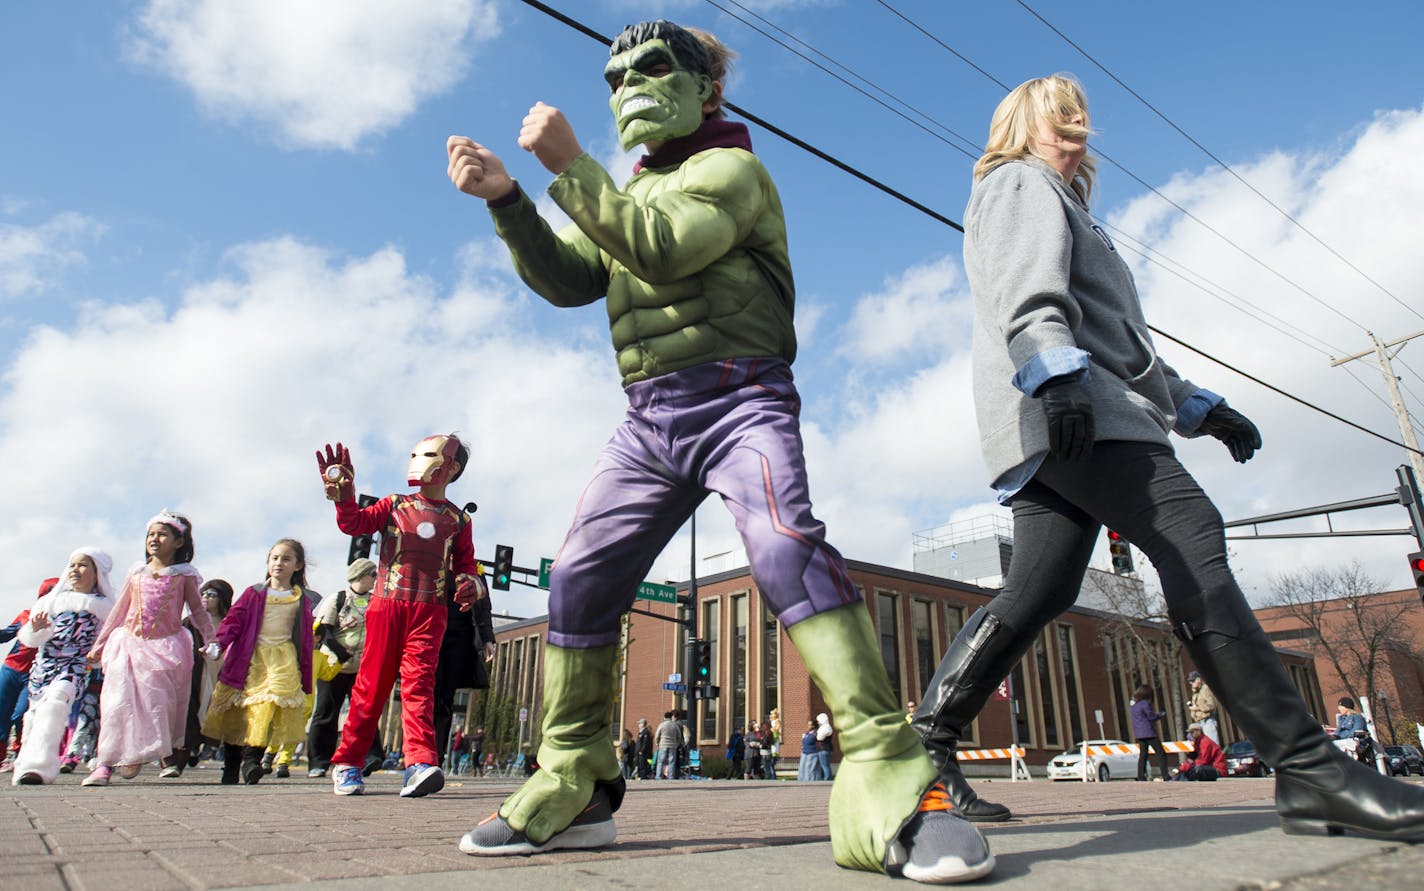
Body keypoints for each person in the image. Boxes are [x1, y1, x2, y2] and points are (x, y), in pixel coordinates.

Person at [446, 20, 986, 881]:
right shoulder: (629, 186)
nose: (628, 86)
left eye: (653, 68)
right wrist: (509, 202)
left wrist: (566, 168)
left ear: (709, 90)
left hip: (741, 399)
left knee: (782, 544)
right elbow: (576, 280)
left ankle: (893, 774)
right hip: (649, 417)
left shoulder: (733, 170)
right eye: (616, 74)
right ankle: (577, 779)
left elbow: (662, 251)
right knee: (579, 576)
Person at [910, 72, 1424, 842]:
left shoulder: (1071, 208)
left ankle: (926, 747)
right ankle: (1311, 770)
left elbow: (1120, 341)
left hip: (1071, 415)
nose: (1077, 127)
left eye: (1082, 116)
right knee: (1191, 533)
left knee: (1036, 592)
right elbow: (1026, 295)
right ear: (1023, 123)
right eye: (1060, 117)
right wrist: (1058, 379)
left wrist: (1197, 406)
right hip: (1073, 411)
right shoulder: (1019, 183)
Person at [315, 435, 484, 798]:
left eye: (431, 454)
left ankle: (419, 763)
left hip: (430, 612)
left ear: (451, 467)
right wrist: (344, 494)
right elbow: (355, 524)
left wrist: (470, 584)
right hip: (386, 605)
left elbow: (466, 564)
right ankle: (348, 762)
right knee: (371, 686)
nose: (419, 460)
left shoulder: (458, 519)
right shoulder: (394, 505)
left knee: (419, 685)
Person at [85, 512, 218, 787]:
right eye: (150, 534)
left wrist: (211, 639)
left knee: (157, 702)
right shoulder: (136, 573)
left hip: (165, 647)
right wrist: (99, 645)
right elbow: (119, 610)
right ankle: (105, 764)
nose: (154, 539)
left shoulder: (184, 576)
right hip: (128, 644)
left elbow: (197, 612)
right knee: (116, 702)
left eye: (162, 534)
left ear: (179, 541)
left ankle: (157, 755)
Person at [201, 539, 315, 785]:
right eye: (274, 558)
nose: (279, 563)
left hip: (281, 661)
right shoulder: (253, 594)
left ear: (297, 565)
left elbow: (306, 641)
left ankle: (252, 761)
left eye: (286, 559)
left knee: (267, 709)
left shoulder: (301, 600)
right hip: (247, 658)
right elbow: (233, 621)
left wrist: (305, 676)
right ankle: (231, 767)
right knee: (237, 714)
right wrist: (218, 645)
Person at [12, 549, 115, 785]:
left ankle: (40, 768)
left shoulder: (105, 607)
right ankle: (24, 767)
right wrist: (37, 630)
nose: (75, 570)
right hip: (43, 668)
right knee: (34, 716)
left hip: (73, 668)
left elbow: (106, 639)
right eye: (72, 565)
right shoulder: (51, 601)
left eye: (82, 565)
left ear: (96, 572)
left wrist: (97, 653)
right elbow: (30, 637)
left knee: (55, 706)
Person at [306, 559, 384, 778]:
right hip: (335, 666)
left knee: (364, 712)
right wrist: (341, 653)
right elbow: (324, 630)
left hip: (362, 666)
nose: (375, 579)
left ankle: (371, 756)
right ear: (361, 576)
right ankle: (319, 761)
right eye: (372, 575)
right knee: (326, 712)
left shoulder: (375, 601)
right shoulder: (338, 599)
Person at [162, 578, 232, 778]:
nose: (205, 598)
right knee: (187, 713)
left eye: (211, 595)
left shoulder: (229, 623)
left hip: (218, 675)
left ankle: (197, 748)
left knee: (209, 715)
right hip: (191, 675)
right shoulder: (189, 622)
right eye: (203, 594)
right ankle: (177, 760)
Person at [0, 582, 53, 773]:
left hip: (34, 675)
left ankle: (19, 756)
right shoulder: (26, 615)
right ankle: (1, 758)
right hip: (10, 669)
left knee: (21, 714)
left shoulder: (62, 621)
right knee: (1, 713)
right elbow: (6, 635)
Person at [1130, 684, 1169, 782]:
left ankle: (1141, 777)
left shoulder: (1134, 705)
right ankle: (1165, 775)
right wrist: (1160, 714)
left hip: (1139, 734)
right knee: (1161, 753)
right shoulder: (1144, 704)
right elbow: (1151, 717)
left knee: (1143, 755)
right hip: (1148, 733)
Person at [1187, 671, 1220, 745]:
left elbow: (1211, 705)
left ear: (1198, 679)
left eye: (1192, 681)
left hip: (1207, 721)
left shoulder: (1205, 689)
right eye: (1190, 682)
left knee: (1213, 745)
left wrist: (1197, 708)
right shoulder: (1196, 692)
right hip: (1199, 723)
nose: (1191, 683)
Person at [654, 711, 681, 780]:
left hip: (663, 745)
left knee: (660, 761)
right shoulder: (675, 725)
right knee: (671, 762)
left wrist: (657, 743)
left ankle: (659, 776)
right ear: (671, 717)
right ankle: (671, 776)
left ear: (664, 717)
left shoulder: (662, 725)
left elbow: (657, 735)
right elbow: (679, 736)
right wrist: (676, 744)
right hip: (672, 745)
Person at [814, 712, 834, 782]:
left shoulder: (825, 727)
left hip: (824, 749)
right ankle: (828, 778)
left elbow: (819, 738)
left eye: (818, 721)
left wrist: (816, 736)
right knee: (826, 765)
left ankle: (827, 779)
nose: (818, 722)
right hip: (827, 749)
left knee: (824, 765)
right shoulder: (827, 727)